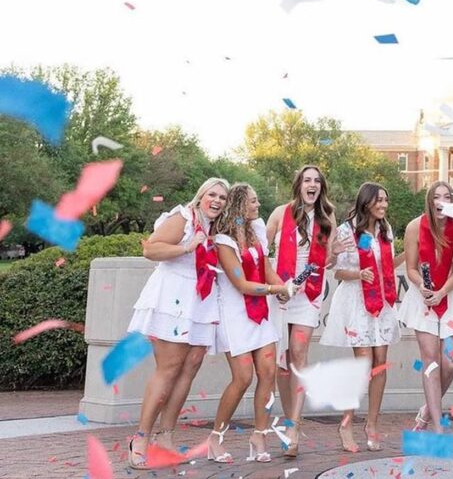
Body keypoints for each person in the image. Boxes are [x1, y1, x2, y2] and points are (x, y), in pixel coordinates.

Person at [125, 178, 229, 469]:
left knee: (191, 364)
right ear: (201, 195)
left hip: (201, 300)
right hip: (173, 298)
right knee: (169, 368)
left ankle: (166, 436)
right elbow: (151, 249)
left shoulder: (214, 227)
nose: (217, 200)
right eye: (212, 194)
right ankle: (141, 437)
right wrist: (186, 247)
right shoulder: (183, 217)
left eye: (222, 197)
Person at [206, 183, 293, 463]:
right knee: (242, 378)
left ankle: (260, 435)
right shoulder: (223, 241)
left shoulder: (256, 231)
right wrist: (274, 290)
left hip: (261, 315)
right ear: (240, 205)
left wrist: (283, 288)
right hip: (235, 315)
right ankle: (215, 438)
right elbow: (241, 284)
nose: (258, 206)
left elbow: (266, 269)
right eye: (254, 202)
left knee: (268, 374)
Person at [320, 182, 398, 452]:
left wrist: (412, 255)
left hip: (382, 301)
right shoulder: (347, 231)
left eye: (385, 200)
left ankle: (372, 424)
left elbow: (386, 265)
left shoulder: (385, 230)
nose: (383, 205)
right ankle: (346, 422)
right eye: (379, 200)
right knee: (363, 363)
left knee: (380, 362)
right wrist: (359, 274)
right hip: (357, 301)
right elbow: (338, 272)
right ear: (366, 202)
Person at [266, 165, 337, 458]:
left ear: (321, 187)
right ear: (298, 185)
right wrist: (275, 286)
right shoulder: (280, 213)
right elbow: (260, 251)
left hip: (308, 292)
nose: (312, 184)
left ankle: (294, 426)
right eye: (307, 180)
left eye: (317, 181)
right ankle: (288, 418)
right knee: (282, 363)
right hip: (282, 290)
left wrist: (337, 252)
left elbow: (329, 260)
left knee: (298, 352)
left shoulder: (326, 216)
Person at [399, 181, 453, 433]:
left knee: (450, 361)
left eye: (446, 197)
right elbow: (410, 267)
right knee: (431, 361)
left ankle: (426, 409)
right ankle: (436, 425)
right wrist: (423, 287)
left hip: (452, 295)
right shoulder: (413, 227)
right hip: (423, 297)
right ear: (430, 202)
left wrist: (442, 291)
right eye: (436, 197)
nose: (441, 201)